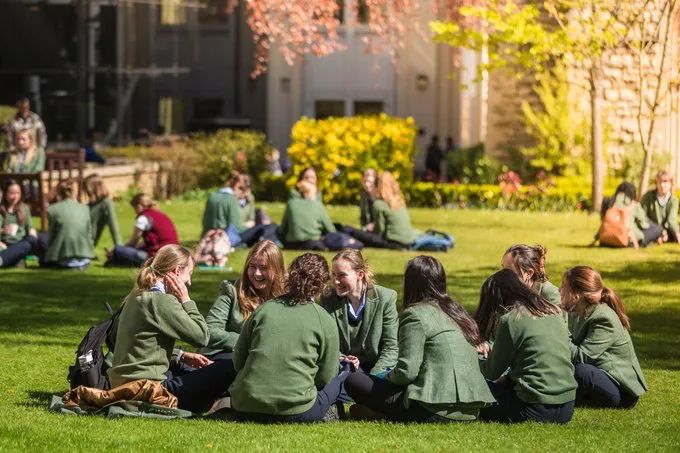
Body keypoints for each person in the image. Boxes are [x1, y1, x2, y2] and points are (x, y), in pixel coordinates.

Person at [345, 256, 495, 422]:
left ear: (410, 283)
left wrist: (384, 377)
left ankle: (384, 415)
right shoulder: (457, 312)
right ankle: (382, 414)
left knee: (354, 380)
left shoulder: (414, 314)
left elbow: (406, 373)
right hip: (471, 410)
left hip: (432, 408)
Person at [107, 244, 235, 413]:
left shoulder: (135, 295)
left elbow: (132, 343)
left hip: (123, 384)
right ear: (176, 271)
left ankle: (219, 401)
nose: (189, 282)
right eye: (189, 274)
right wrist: (186, 299)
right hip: (149, 390)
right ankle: (222, 403)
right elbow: (202, 336)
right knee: (229, 365)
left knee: (192, 368)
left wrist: (181, 355)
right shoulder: (161, 300)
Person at [229, 253, 346, 422]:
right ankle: (332, 409)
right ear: (323, 284)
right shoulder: (324, 319)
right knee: (340, 375)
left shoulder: (263, 310)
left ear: (290, 275)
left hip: (245, 405)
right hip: (297, 410)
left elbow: (238, 360)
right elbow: (326, 376)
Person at [475, 269, 577, 423]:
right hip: (567, 407)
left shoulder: (510, 320)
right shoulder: (554, 311)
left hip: (533, 408)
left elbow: (491, 372)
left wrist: (476, 357)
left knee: (473, 386)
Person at [560, 266, 648, 409]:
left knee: (582, 371)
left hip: (621, 391)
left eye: (564, 287)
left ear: (576, 294)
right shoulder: (579, 310)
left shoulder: (603, 318)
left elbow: (581, 357)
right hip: (601, 375)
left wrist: (559, 332)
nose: (559, 291)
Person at [200, 240, 286, 360]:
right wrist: (248, 344)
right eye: (252, 267)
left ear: (277, 269)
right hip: (227, 355)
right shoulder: (232, 290)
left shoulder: (288, 297)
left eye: (263, 268)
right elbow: (210, 330)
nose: (257, 273)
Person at [321, 249, 398, 375]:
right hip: (343, 368)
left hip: (376, 368)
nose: (335, 281)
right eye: (333, 274)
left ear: (360, 274)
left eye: (342, 275)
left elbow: (391, 347)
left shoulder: (386, 298)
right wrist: (342, 359)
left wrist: (375, 377)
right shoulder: (329, 299)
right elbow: (327, 343)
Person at [202, 172, 277, 247]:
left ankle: (263, 241)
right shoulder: (231, 199)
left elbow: (205, 220)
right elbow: (236, 227)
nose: (243, 192)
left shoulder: (212, 196)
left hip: (208, 236)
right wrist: (247, 226)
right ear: (236, 185)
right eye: (242, 188)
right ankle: (265, 244)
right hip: (226, 238)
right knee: (271, 226)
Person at [107, 193, 179, 267]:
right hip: (172, 254)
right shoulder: (160, 215)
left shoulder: (143, 218)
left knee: (118, 250)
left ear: (138, 206)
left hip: (157, 256)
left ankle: (113, 257)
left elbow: (133, 242)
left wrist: (116, 251)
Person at [43, 179, 95, 269]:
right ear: (75, 192)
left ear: (59, 192)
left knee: (41, 238)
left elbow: (51, 237)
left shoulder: (52, 210)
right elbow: (89, 235)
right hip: (85, 258)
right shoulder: (85, 209)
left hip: (62, 260)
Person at [602, 181, 662, 248]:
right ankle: (643, 243)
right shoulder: (632, 203)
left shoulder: (610, 202)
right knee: (658, 229)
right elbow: (643, 223)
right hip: (627, 238)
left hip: (606, 238)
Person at [278, 180, 335, 250]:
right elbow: (331, 230)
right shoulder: (317, 204)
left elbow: (282, 229)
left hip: (291, 244)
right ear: (309, 192)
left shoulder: (291, 203)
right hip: (313, 244)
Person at [370, 171, 416, 249]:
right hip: (409, 241)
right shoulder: (400, 201)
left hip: (394, 242)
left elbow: (380, 230)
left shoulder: (378, 204)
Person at [0, 179, 38, 267]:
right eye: (12, 193)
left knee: (29, 242)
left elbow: (31, 228)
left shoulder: (24, 208)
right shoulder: (1, 210)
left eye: (18, 193)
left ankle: (10, 259)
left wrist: (34, 238)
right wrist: (3, 231)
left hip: (20, 243)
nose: (15, 196)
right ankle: (12, 260)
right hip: (4, 244)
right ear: (5, 194)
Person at [83, 174, 122, 247]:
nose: (85, 191)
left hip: (86, 243)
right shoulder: (88, 206)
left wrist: (120, 249)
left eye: (86, 188)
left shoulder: (106, 204)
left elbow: (113, 227)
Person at [640, 170, 679, 243]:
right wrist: (659, 230)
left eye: (665, 182)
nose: (662, 185)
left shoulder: (673, 200)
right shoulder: (648, 196)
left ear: (670, 183)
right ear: (656, 183)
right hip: (650, 228)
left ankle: (663, 237)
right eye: (660, 182)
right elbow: (642, 216)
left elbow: (671, 220)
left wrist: (677, 233)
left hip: (667, 230)